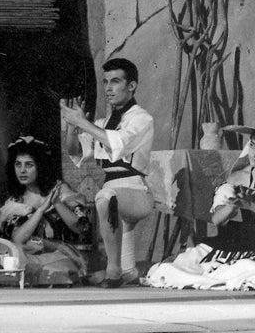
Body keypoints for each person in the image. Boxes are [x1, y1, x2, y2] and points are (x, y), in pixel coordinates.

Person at [61, 57, 154, 288]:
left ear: (131, 86)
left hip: (136, 192)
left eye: (115, 81)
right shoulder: (102, 123)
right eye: (105, 82)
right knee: (107, 195)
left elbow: (117, 142)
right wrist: (72, 128)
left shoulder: (142, 119)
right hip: (113, 188)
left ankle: (113, 271)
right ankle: (126, 271)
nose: (108, 88)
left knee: (105, 196)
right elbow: (75, 151)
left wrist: (83, 123)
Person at [146, 137, 255, 289]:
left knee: (247, 268)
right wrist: (232, 205)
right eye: (253, 145)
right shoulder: (237, 177)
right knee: (183, 265)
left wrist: (251, 205)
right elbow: (217, 219)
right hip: (237, 243)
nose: (254, 153)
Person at [0, 137, 89, 286]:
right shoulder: (14, 202)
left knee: (55, 270)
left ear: (40, 166)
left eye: (29, 165)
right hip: (29, 256)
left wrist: (56, 202)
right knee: (14, 256)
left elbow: (80, 228)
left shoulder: (60, 191)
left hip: (60, 255)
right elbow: (18, 239)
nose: (22, 170)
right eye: (18, 164)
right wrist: (41, 210)